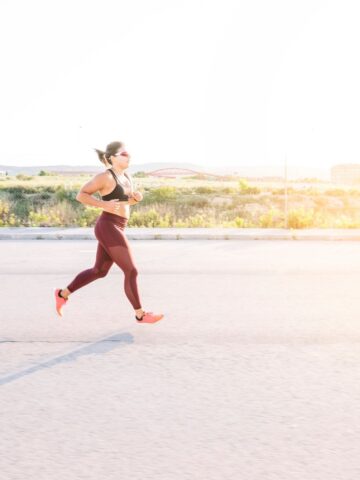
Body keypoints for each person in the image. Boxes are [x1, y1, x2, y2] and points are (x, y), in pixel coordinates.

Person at [54, 141, 164, 324]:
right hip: (108, 225)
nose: (128, 156)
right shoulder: (105, 177)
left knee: (99, 271)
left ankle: (62, 294)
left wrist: (136, 199)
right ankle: (140, 314)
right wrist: (102, 204)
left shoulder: (127, 177)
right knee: (131, 270)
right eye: (124, 153)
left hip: (119, 225)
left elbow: (124, 202)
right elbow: (81, 195)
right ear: (112, 157)